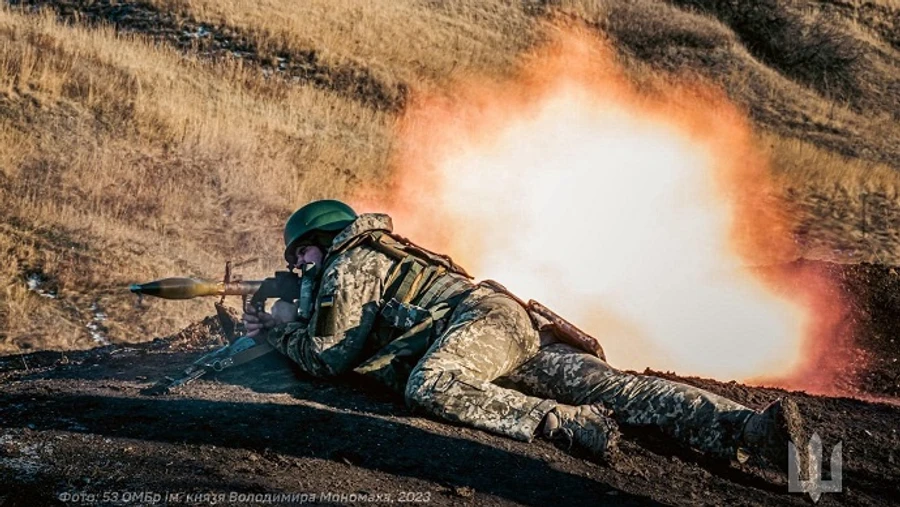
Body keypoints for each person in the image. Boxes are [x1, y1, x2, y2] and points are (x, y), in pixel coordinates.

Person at [243, 199, 805, 470]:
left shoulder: (352, 258)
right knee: (621, 390)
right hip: (503, 329)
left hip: (480, 327)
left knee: (431, 386)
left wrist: (280, 333)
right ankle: (760, 433)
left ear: (323, 236)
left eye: (302, 255)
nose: (301, 268)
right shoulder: (379, 256)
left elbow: (328, 356)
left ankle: (561, 423)